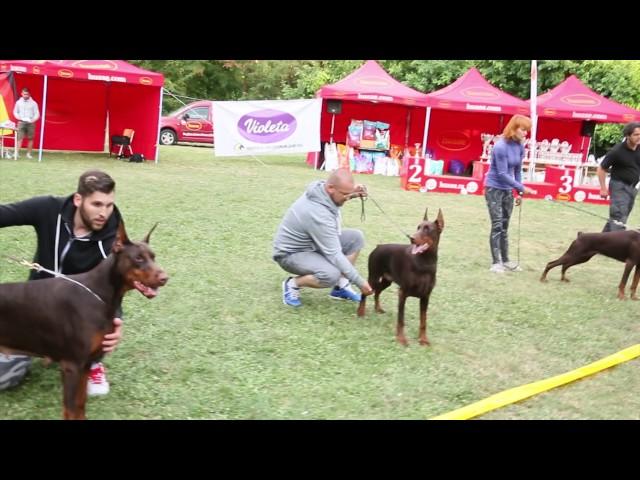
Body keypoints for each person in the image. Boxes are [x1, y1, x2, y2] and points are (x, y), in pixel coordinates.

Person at [0, 170, 124, 395]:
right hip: (37, 310)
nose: (103, 213)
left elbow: (114, 288)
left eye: (109, 205)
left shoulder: (112, 239)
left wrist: (115, 322)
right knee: (3, 378)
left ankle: (93, 362)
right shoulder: (48, 208)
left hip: (78, 317)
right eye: (96, 204)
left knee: (101, 325)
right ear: (78, 200)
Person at [273, 168, 373, 307]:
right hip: (290, 254)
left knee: (355, 238)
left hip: (313, 245)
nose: (347, 197)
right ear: (331, 188)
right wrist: (360, 282)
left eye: (348, 194)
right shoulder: (317, 212)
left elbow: (338, 196)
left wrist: (353, 193)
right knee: (331, 274)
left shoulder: (322, 190)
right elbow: (334, 254)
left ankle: (340, 288)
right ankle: (292, 284)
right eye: (345, 194)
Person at [483, 114, 537, 273]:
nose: (526, 133)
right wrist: (521, 187)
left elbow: (517, 170)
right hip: (494, 188)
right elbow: (502, 173)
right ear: (514, 129)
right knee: (497, 224)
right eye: (523, 130)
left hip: (508, 189)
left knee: (505, 226)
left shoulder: (520, 146)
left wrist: (519, 190)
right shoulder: (500, 147)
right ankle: (495, 262)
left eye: (527, 130)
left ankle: (506, 260)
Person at [597, 122, 640, 232]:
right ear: (627, 135)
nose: (639, 137)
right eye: (636, 134)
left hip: (633, 188)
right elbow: (601, 168)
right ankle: (616, 248)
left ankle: (600, 242)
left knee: (617, 218)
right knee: (619, 218)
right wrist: (603, 188)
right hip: (619, 186)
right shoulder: (617, 151)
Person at [12, 87, 40, 159]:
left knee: (30, 138)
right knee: (19, 138)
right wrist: (19, 118)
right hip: (21, 122)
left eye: (27, 94)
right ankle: (16, 153)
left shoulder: (34, 103)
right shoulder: (18, 102)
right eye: (24, 94)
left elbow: (37, 113)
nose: (25, 96)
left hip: (30, 123)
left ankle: (28, 154)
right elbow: (15, 112)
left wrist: (33, 120)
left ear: (29, 94)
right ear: (22, 94)